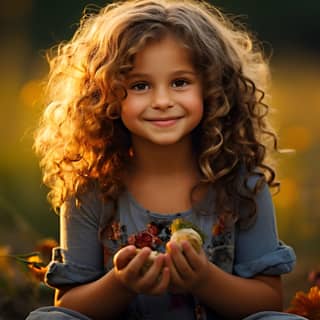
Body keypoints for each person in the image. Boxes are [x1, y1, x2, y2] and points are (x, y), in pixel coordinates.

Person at [26, 0, 306, 319]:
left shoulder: (242, 182)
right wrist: (121, 283)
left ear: (213, 89)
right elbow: (70, 305)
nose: (162, 101)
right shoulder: (90, 189)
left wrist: (204, 279)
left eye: (180, 82)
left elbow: (269, 302)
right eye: (140, 85)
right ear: (105, 97)